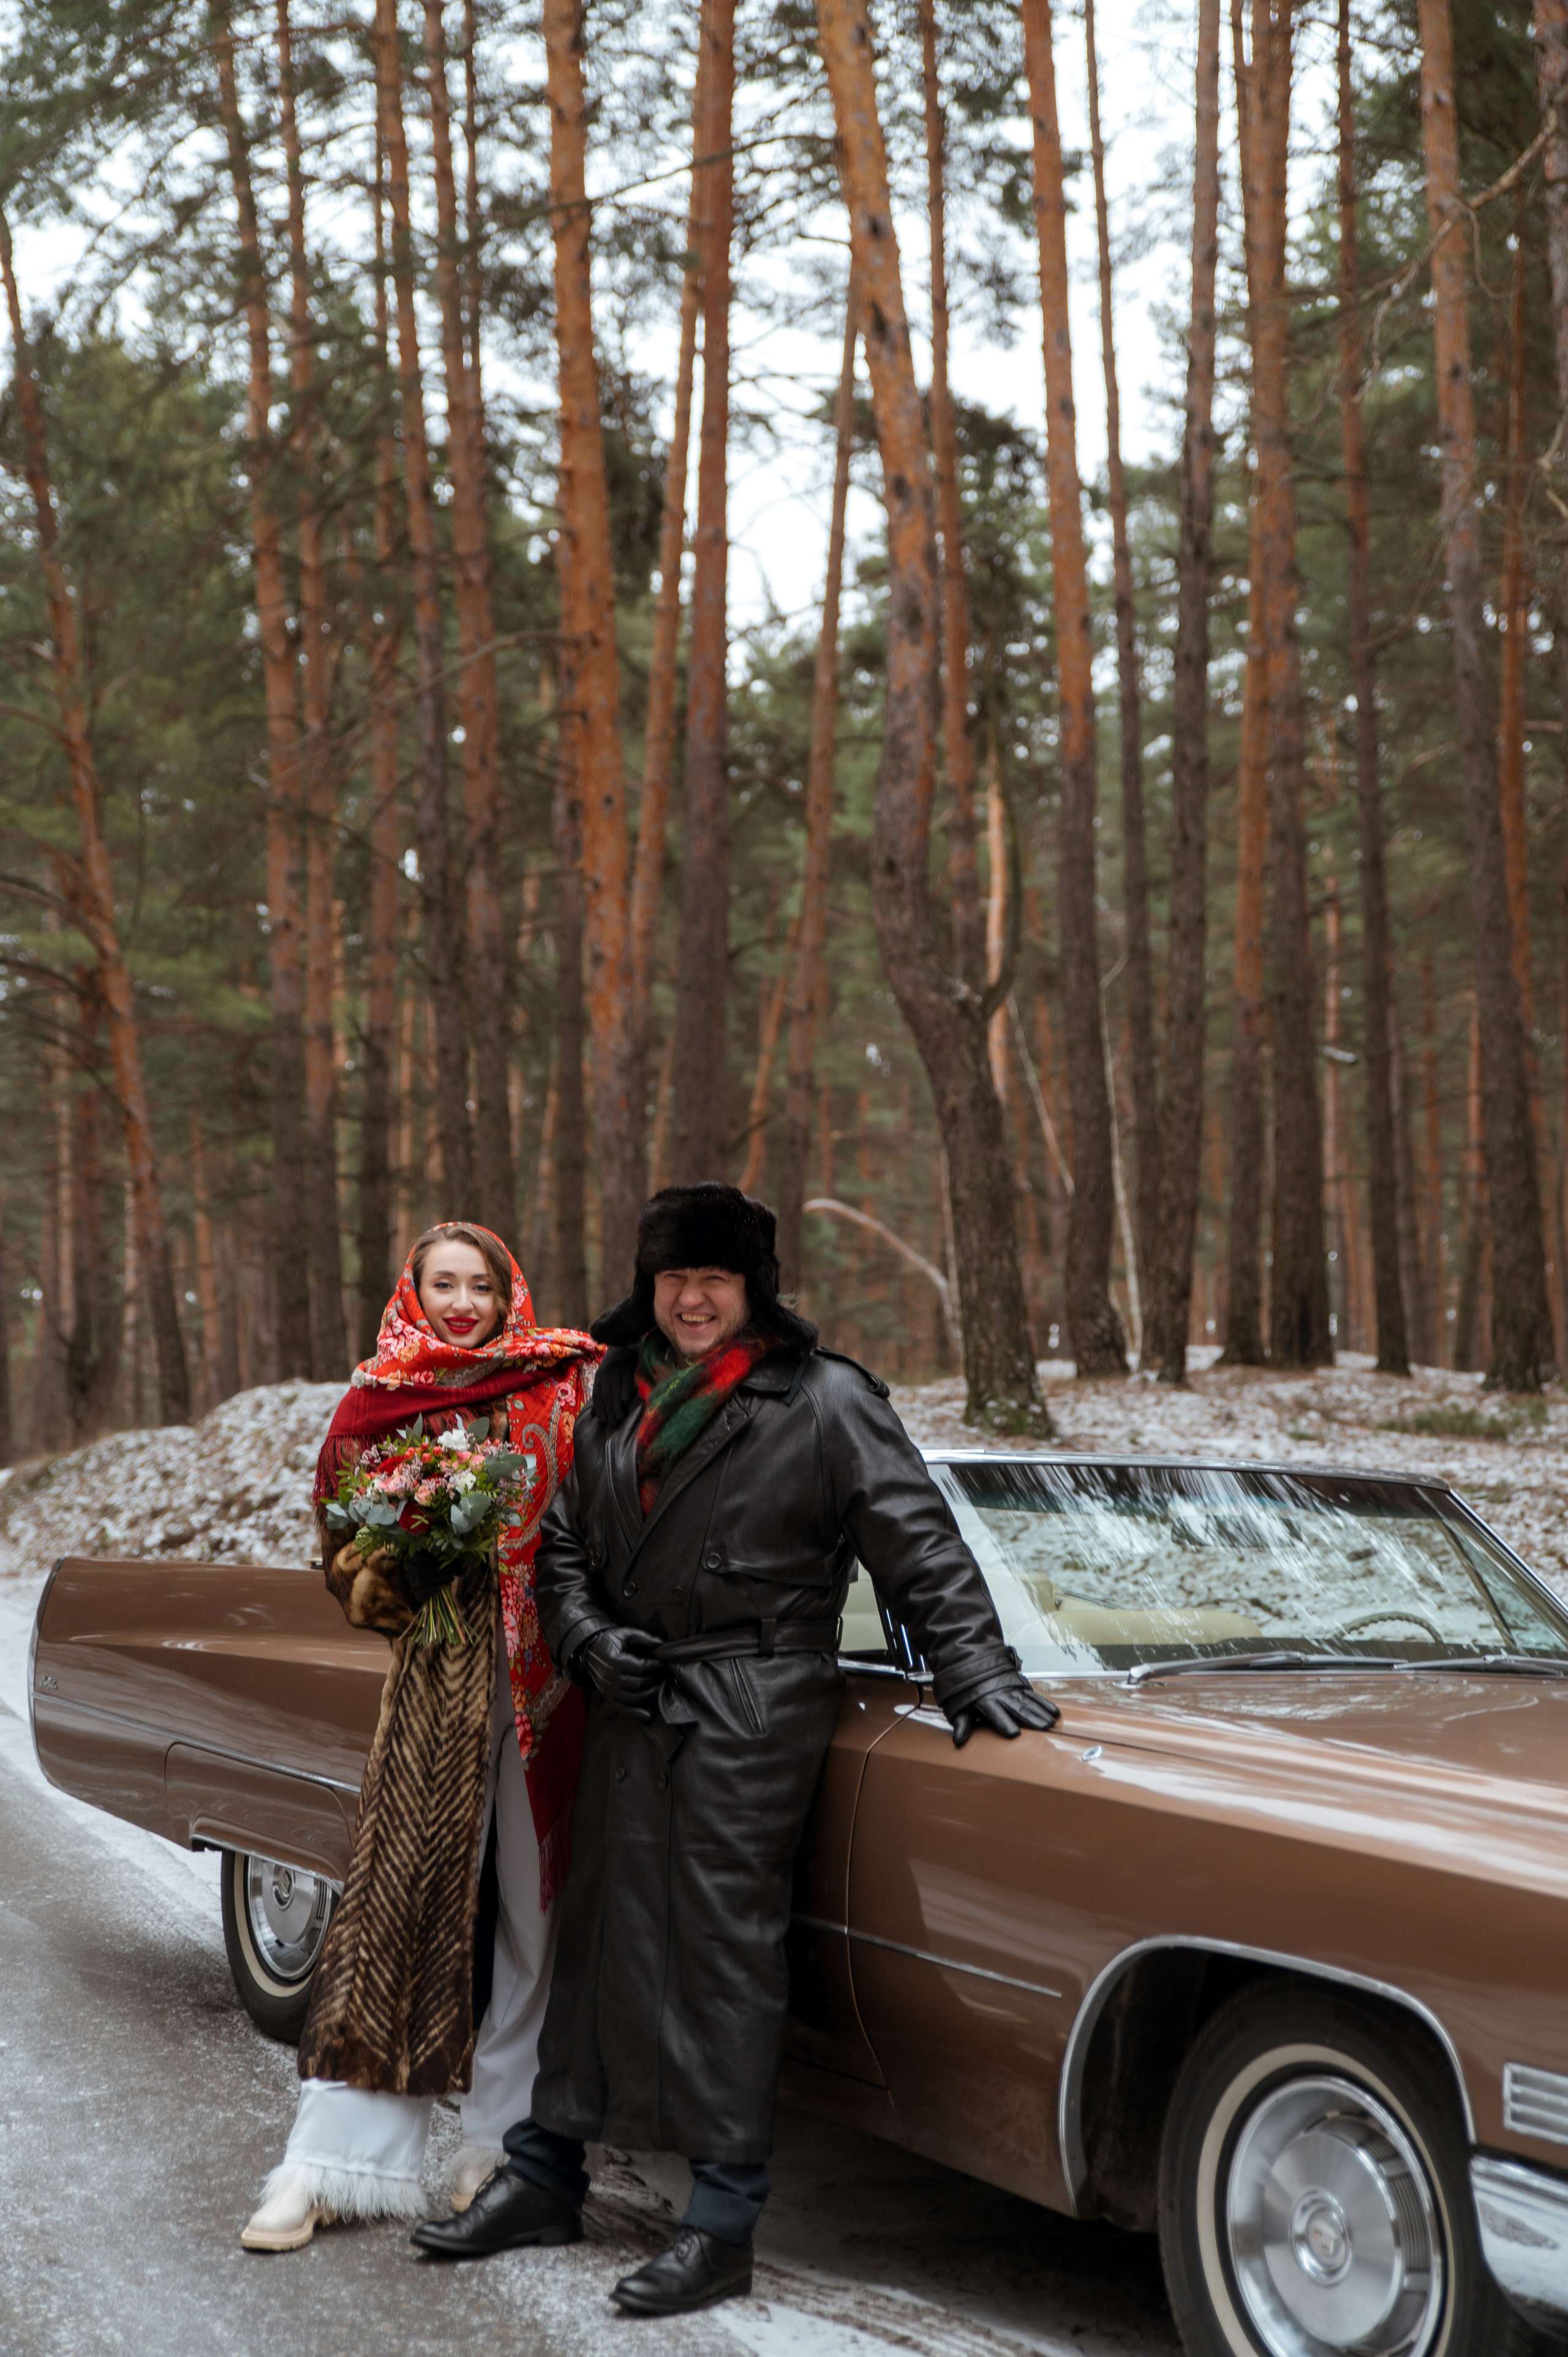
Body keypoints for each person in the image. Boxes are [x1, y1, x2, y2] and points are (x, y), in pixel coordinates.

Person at [412, 1182, 1057, 2313]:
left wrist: (978, 1670)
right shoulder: (616, 1393)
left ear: (752, 1286)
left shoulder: (822, 1399)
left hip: (753, 1701)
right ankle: (548, 2174)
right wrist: (590, 1639)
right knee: (595, 1939)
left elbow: (920, 1543)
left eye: (715, 1277)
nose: (694, 1298)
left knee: (723, 1952)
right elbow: (561, 1549)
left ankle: (720, 2223)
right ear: (649, 1287)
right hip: (629, 1697)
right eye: (675, 1278)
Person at [240, 1221, 598, 2252]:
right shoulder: (375, 1400)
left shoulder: (560, 1384)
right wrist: (410, 1554)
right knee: (404, 1904)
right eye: (443, 1284)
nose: (462, 1303)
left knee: (539, 1920)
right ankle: (331, 2165)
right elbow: (341, 1555)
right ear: (413, 1291)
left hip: (551, 1690)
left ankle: (502, 2146)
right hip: (441, 1683)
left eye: (481, 1285)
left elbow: (609, 1511)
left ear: (508, 1292)